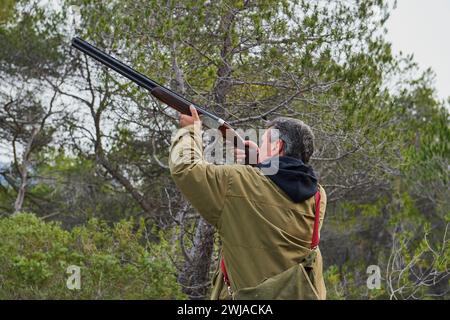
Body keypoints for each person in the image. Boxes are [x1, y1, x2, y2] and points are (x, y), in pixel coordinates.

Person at [169, 106, 327, 300]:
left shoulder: (236, 181)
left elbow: (185, 168)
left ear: (277, 146)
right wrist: (259, 162)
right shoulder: (318, 195)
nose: (258, 148)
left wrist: (190, 131)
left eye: (262, 143)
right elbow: (272, 194)